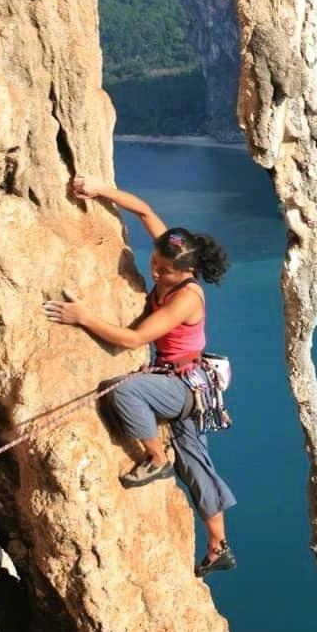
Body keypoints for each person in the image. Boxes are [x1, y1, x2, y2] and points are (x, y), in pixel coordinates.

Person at [43, 175, 237, 576]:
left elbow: (134, 339)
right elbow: (144, 210)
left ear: (185, 270)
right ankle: (219, 545)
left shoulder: (185, 298)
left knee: (124, 391)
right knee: (198, 467)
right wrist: (98, 190)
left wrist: (83, 318)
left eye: (163, 271)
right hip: (187, 384)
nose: (155, 271)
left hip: (181, 387)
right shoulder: (175, 249)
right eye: (155, 263)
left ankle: (155, 457)